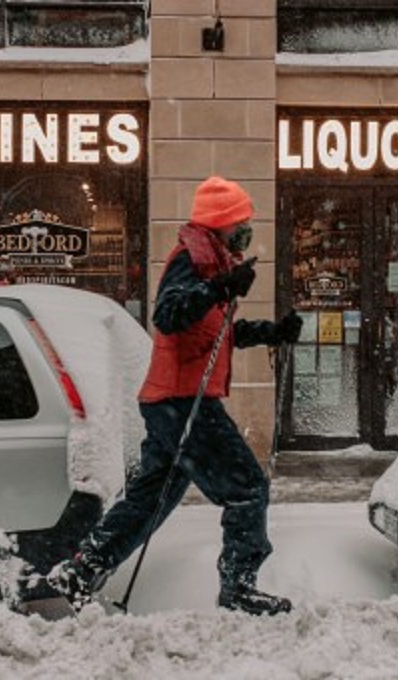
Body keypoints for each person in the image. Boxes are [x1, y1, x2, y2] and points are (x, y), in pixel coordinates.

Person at [46, 176, 303, 616]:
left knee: (152, 497)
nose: (246, 230)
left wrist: (270, 332)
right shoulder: (192, 261)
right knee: (246, 488)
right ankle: (239, 588)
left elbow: (213, 334)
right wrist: (220, 288)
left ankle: (81, 571)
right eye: (240, 222)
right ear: (221, 224)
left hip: (170, 400)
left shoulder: (213, 262)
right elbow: (169, 316)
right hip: (184, 403)